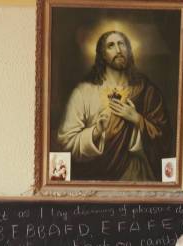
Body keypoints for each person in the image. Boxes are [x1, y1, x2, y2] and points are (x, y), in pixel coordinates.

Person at [57, 30, 172, 181]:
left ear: (129, 51)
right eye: (111, 45)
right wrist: (96, 132)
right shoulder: (84, 92)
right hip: (95, 179)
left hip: (135, 176)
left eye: (122, 44)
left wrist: (137, 119)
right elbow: (67, 143)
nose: (118, 50)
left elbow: (165, 138)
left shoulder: (146, 90)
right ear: (102, 54)